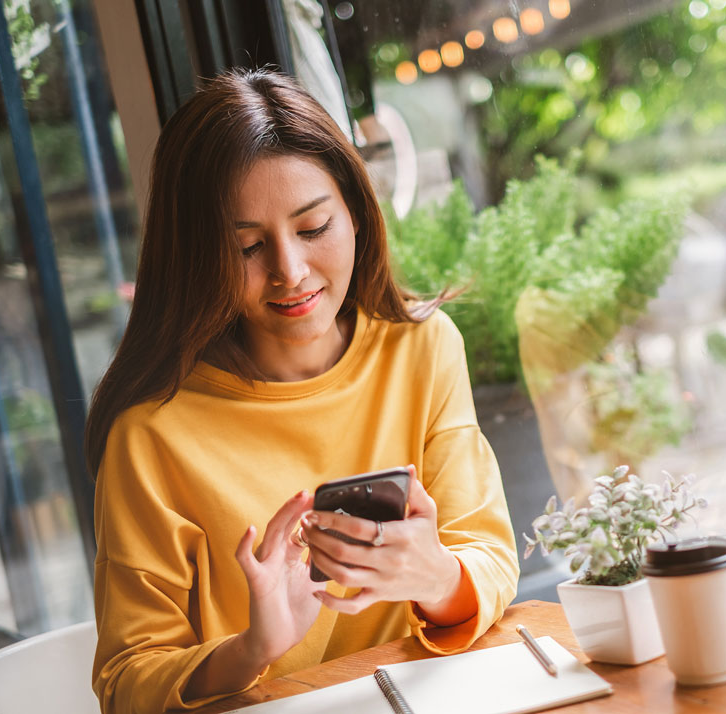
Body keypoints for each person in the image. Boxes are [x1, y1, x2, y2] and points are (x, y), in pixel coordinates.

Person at [85, 68, 519, 714]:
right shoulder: (152, 434)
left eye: (313, 228)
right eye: (249, 247)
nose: (290, 272)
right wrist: (252, 648)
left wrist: (436, 576)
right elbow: (126, 682)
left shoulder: (422, 350)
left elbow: (487, 554)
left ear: (355, 213)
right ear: (198, 257)